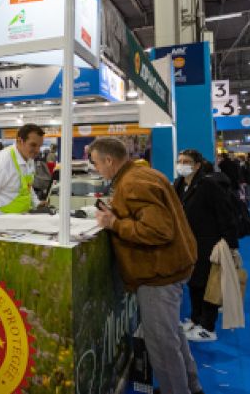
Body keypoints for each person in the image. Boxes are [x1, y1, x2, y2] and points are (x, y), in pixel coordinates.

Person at [91, 137, 203, 394]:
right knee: (171, 335)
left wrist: (114, 224)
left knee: (162, 345)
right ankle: (191, 387)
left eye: (97, 163)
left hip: (158, 273)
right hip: (169, 268)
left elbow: (157, 230)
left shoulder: (133, 183)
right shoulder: (141, 175)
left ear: (109, 160)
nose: (96, 169)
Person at [173, 149, 239, 342]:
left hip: (210, 242)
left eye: (186, 161)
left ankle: (208, 327)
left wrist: (229, 242)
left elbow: (225, 214)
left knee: (210, 283)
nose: (182, 164)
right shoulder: (179, 184)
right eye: (180, 161)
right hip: (188, 243)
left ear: (197, 165)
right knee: (194, 282)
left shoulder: (209, 185)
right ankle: (195, 319)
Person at [0, 124, 44, 217]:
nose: (37, 150)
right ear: (20, 141)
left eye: (40, 146)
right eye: (33, 145)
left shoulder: (29, 158)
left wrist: (37, 203)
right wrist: (1, 219)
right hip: (4, 225)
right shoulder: (2, 163)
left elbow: (27, 188)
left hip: (22, 220)